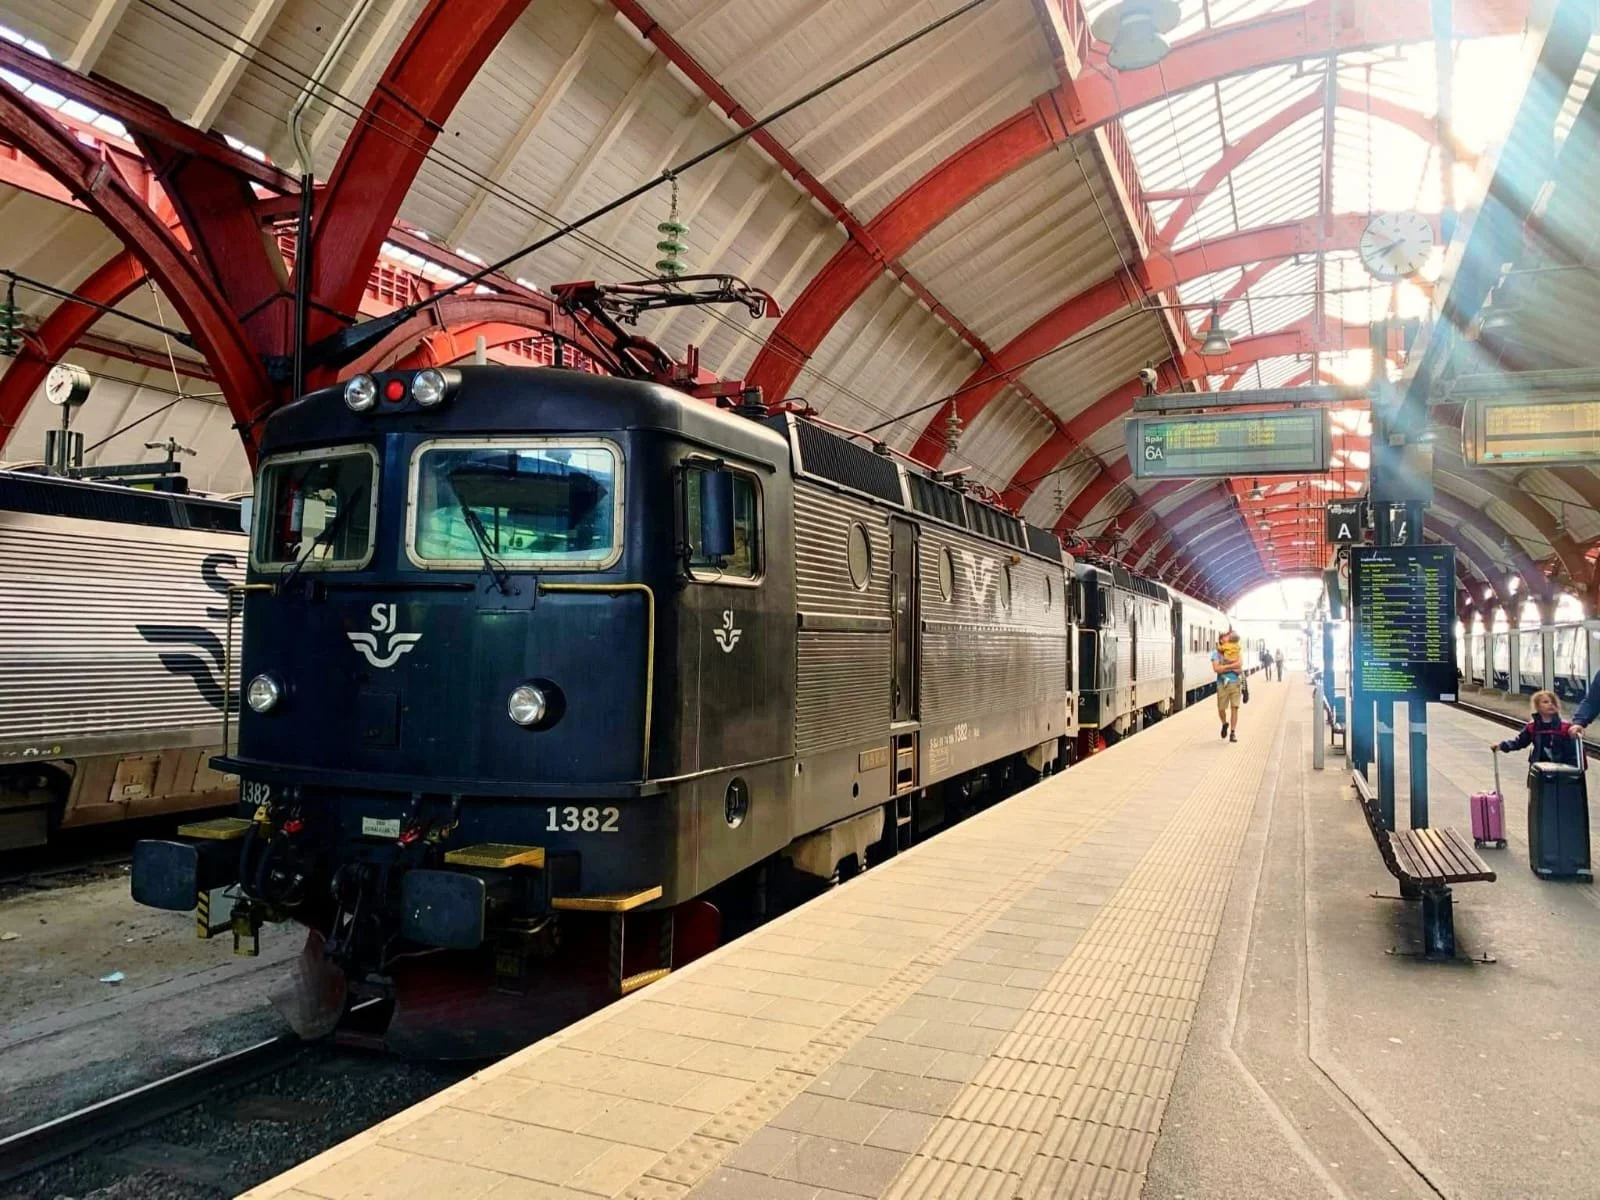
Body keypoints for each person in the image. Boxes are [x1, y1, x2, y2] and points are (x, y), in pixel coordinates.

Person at [1495, 690, 1579, 767]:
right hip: (1539, 769)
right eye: (1546, 702)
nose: (1550, 704)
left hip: (1561, 769)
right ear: (1537, 707)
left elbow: (1573, 751)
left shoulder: (1565, 727)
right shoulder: (1532, 727)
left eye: (1553, 702)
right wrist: (1503, 746)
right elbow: (1520, 742)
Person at [1212, 630, 1243, 743]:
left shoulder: (1236, 650)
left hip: (1235, 683)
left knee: (1234, 707)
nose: (1228, 637)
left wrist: (1225, 667)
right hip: (1222, 684)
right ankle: (1225, 723)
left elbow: (1240, 666)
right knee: (1221, 709)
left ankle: (1233, 732)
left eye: (1229, 636)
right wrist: (1232, 667)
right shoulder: (1215, 654)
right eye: (1226, 636)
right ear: (1221, 640)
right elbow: (1216, 669)